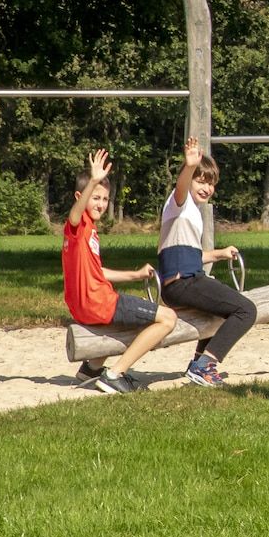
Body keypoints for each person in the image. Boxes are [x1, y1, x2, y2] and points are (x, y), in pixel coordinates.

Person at [65, 148, 177, 395]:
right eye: (95, 198)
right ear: (80, 196)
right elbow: (73, 215)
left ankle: (92, 368)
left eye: (105, 199)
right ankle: (115, 374)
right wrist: (94, 179)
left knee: (137, 320)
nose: (101, 204)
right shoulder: (78, 225)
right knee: (168, 318)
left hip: (86, 304)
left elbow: (97, 272)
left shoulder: (89, 231)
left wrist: (135, 275)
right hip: (99, 303)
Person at [155, 136, 256, 389]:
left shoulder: (192, 213)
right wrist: (189, 166)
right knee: (246, 310)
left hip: (184, 280)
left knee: (222, 310)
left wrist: (218, 254)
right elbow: (181, 188)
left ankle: (198, 362)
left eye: (211, 184)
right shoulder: (179, 203)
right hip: (183, 283)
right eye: (201, 181)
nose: (207, 188)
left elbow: (188, 255)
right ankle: (205, 365)